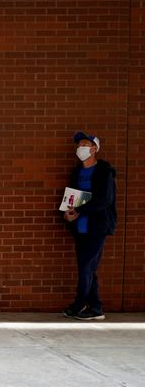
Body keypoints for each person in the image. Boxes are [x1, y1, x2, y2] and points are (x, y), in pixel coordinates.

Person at [62, 132, 117, 320]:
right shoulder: (77, 172)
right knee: (88, 268)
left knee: (86, 267)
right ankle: (95, 307)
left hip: (98, 227)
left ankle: (79, 303)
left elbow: (105, 200)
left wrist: (80, 209)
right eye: (79, 145)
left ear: (94, 149)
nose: (81, 148)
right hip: (80, 227)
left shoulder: (104, 172)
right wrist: (67, 214)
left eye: (85, 144)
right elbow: (71, 198)